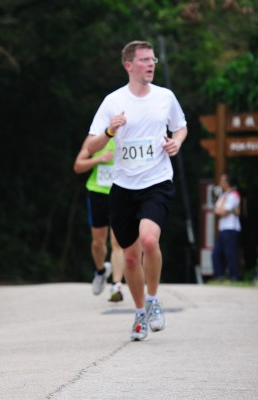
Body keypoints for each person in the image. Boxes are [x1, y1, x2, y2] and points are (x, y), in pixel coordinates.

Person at [86, 40, 187, 341]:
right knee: (130, 258)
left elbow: (180, 126)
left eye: (153, 59)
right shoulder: (113, 101)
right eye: (144, 60)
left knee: (149, 239)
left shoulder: (165, 97)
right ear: (128, 65)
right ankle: (140, 313)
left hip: (157, 182)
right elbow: (91, 146)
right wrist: (110, 131)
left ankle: (153, 301)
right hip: (123, 188)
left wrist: (176, 142)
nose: (151, 64)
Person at [73, 136, 125, 301]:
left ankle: (116, 285)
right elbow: (78, 166)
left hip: (121, 193)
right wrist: (99, 159)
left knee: (117, 243)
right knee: (98, 243)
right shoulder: (95, 137)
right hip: (98, 193)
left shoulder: (129, 134)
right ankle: (101, 271)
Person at [211, 173, 241, 281]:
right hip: (223, 228)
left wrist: (221, 209)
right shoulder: (223, 195)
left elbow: (222, 211)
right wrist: (221, 209)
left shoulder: (234, 195)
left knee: (230, 253)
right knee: (216, 253)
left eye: (222, 180)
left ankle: (234, 276)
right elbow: (216, 210)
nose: (220, 183)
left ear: (227, 183)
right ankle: (219, 276)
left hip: (231, 227)